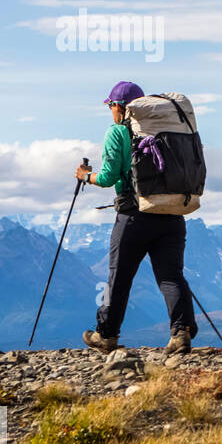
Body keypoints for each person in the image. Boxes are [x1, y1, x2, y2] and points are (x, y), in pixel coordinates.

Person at [76, 81, 197, 355]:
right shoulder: (166, 130)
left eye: (110, 106)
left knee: (119, 277)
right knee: (170, 276)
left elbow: (108, 177)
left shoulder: (118, 132)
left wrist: (85, 176)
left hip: (133, 217)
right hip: (171, 212)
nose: (110, 111)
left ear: (119, 107)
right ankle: (181, 333)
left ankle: (106, 335)